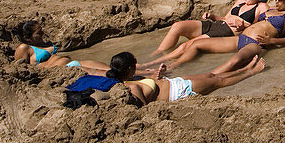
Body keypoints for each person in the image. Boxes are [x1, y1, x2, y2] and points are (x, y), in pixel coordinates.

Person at [158, 0, 285, 72]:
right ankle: (170, 67)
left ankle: (210, 76)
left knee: (234, 61)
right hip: (240, 38)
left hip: (256, 43)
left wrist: (271, 41)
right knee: (196, 44)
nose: (276, 2)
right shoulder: (271, 10)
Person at [149, 0, 269, 58]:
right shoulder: (240, 2)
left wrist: (244, 25)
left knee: (188, 44)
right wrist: (211, 16)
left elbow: (264, 26)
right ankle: (156, 53)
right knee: (178, 26)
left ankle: (156, 62)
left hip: (226, 32)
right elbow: (225, 18)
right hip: (217, 24)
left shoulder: (261, 7)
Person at [113, 51, 267, 105]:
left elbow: (152, 84)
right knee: (219, 82)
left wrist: (158, 74)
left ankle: (245, 68)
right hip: (178, 93)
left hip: (174, 83)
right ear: (129, 69)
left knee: (211, 75)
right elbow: (147, 109)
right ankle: (251, 73)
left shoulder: (131, 79)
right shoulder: (130, 88)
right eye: (135, 64)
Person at [13, 20, 90, 70]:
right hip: (68, 69)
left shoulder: (43, 43)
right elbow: (22, 70)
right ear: (27, 38)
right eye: (39, 33)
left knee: (101, 69)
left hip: (73, 63)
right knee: (98, 74)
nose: (43, 34)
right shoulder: (24, 48)